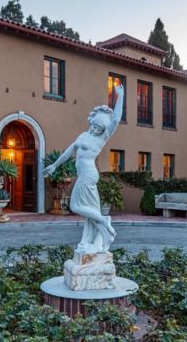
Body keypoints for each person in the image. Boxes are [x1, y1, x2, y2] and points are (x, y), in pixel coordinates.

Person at [44, 84, 124, 254]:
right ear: (91, 122)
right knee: (90, 211)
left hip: (88, 175)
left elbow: (116, 120)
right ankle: (97, 240)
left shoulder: (102, 138)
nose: (95, 130)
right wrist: (54, 165)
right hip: (84, 175)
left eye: (99, 128)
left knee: (75, 206)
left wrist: (120, 97)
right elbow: (69, 151)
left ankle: (104, 220)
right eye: (94, 126)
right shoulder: (83, 135)